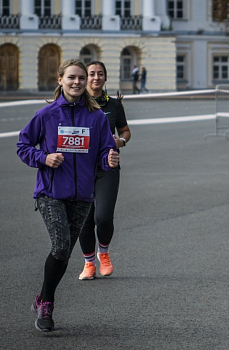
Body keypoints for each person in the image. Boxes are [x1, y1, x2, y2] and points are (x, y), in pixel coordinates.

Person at [17, 58, 119, 332]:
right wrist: (43, 157)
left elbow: (103, 153)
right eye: (71, 77)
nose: (77, 82)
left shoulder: (97, 117)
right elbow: (23, 144)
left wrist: (108, 159)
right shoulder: (46, 115)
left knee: (63, 253)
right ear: (60, 80)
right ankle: (47, 303)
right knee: (62, 246)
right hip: (50, 192)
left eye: (81, 78)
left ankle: (42, 298)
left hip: (82, 196)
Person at [77, 61, 132, 280]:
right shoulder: (76, 103)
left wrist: (121, 142)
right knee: (84, 219)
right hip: (80, 168)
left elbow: (125, 131)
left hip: (108, 165)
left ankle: (104, 253)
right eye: (91, 74)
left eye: (100, 74)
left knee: (104, 217)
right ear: (85, 77)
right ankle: (89, 263)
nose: (96, 78)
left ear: (105, 78)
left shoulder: (113, 105)